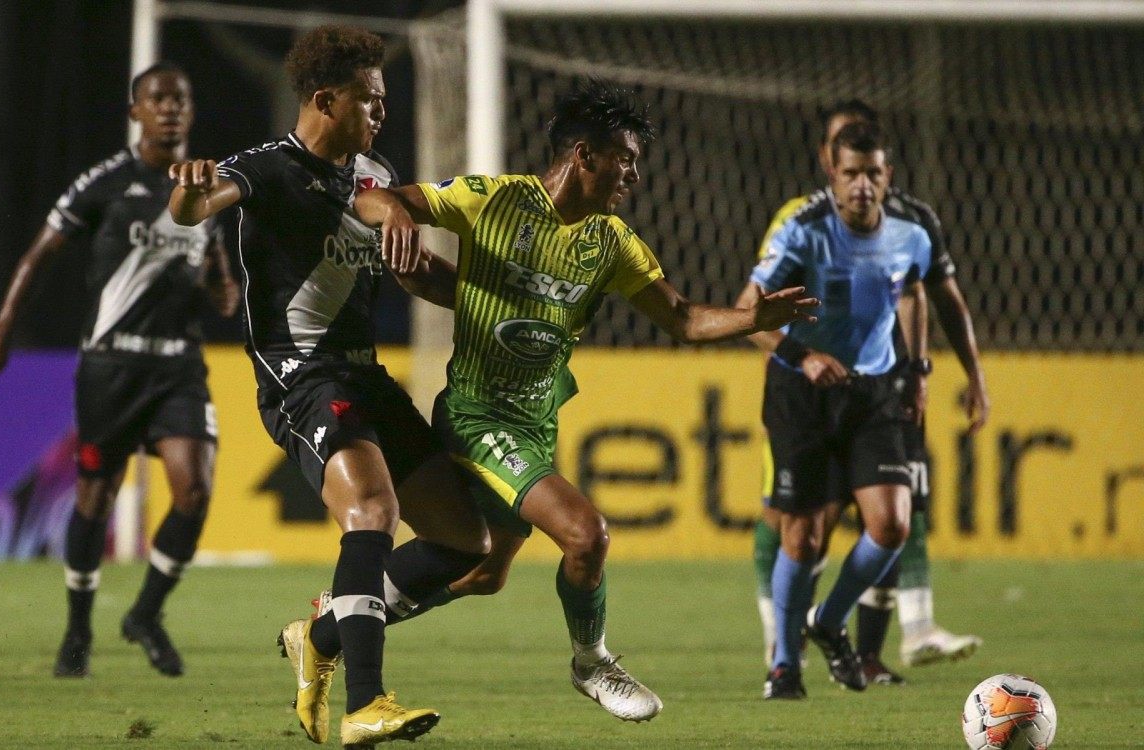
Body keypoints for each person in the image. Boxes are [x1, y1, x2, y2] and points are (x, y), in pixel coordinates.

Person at [349, 78, 818, 722]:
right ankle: (592, 662)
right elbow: (372, 197)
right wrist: (400, 213)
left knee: (485, 573)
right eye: (623, 158)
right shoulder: (495, 198)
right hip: (477, 416)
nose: (632, 173)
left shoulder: (612, 242)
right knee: (587, 534)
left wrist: (748, 318)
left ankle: (337, 620)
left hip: (535, 427)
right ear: (583, 155)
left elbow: (681, 319)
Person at [167, 25, 495, 747]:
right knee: (372, 510)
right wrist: (188, 197)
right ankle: (366, 701)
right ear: (326, 99)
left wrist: (493, 298)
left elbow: (413, 266)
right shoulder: (267, 167)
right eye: (370, 100)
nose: (382, 112)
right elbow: (199, 206)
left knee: (465, 542)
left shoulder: (371, 171)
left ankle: (317, 633)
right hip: (301, 374)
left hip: (363, 372)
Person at [0, 63, 240, 678]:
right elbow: (38, 256)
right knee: (95, 497)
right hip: (112, 365)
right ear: (135, 112)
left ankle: (145, 613)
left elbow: (224, 297)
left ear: (190, 114)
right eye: (157, 99)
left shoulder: (208, 191)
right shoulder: (105, 183)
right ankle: (78, 630)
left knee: (194, 491)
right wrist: (2, 331)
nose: (169, 109)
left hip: (178, 367)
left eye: (180, 100)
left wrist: (224, 281)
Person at [746, 100, 989, 686]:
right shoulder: (800, 229)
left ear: (888, 174)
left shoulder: (911, 231)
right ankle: (784, 662)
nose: (862, 185)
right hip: (803, 394)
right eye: (851, 173)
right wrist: (802, 357)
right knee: (801, 536)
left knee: (892, 524)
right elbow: (747, 314)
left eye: (873, 173)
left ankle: (830, 621)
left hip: (875, 391)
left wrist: (925, 370)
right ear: (831, 171)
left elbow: (917, 292)